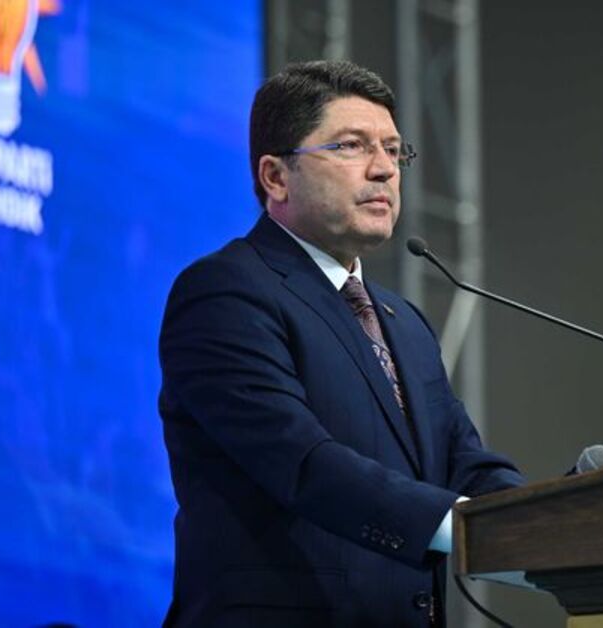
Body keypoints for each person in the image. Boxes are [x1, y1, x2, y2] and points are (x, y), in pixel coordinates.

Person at [158, 60, 523, 627]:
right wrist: (467, 526)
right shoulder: (225, 293)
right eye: (352, 146)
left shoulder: (405, 323)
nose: (384, 169)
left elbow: (465, 463)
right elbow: (303, 462)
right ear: (276, 176)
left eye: (394, 150)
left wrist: (541, 523)